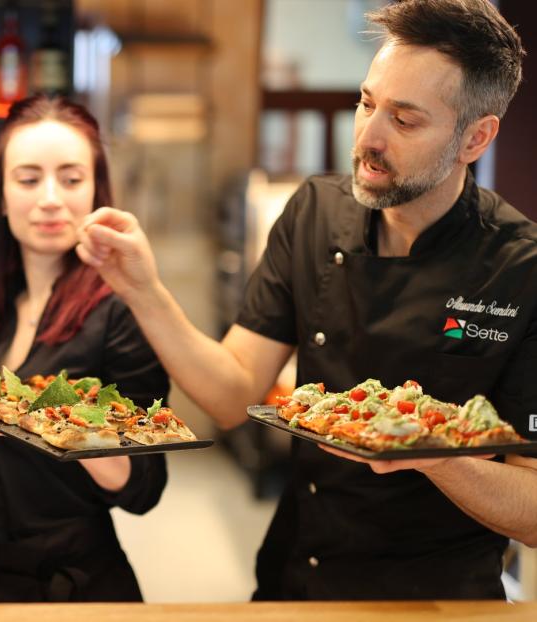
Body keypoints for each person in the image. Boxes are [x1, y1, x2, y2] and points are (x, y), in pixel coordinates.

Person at [77, 0, 537, 601]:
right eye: (367, 102)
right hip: (296, 579)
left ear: (476, 137)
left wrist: (429, 454)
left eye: (404, 120)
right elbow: (232, 394)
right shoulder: (315, 213)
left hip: (435, 598)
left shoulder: (519, 269)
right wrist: (143, 288)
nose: (367, 137)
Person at [0, 95, 169, 602]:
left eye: (71, 180)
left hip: (70, 591)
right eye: (28, 180)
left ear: (96, 193)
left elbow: (145, 485)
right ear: (1, 197)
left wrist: (71, 425)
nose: (50, 199)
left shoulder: (118, 312)